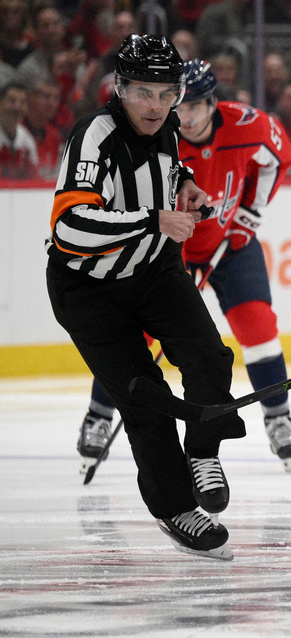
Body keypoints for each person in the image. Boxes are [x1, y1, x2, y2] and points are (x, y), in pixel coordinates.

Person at [48, 34, 244, 560]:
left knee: (209, 357)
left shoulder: (167, 124)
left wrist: (185, 186)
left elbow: (167, 167)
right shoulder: (94, 136)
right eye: (144, 93)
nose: (156, 106)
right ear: (120, 89)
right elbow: (68, 226)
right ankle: (176, 507)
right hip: (87, 290)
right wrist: (155, 219)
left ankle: (202, 451)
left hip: (154, 269)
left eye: (166, 93)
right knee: (145, 398)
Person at [76, 58, 291, 473]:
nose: (185, 115)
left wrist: (249, 214)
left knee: (258, 325)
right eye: (178, 105)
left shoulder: (249, 125)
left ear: (212, 103)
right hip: (167, 249)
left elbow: (278, 157)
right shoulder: (154, 136)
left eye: (194, 105)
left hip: (231, 243)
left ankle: (278, 417)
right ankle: (98, 415)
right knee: (139, 336)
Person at [0, 82, 38, 178]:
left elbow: (34, 177)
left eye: (22, 102)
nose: (17, 107)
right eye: (12, 101)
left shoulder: (27, 139)